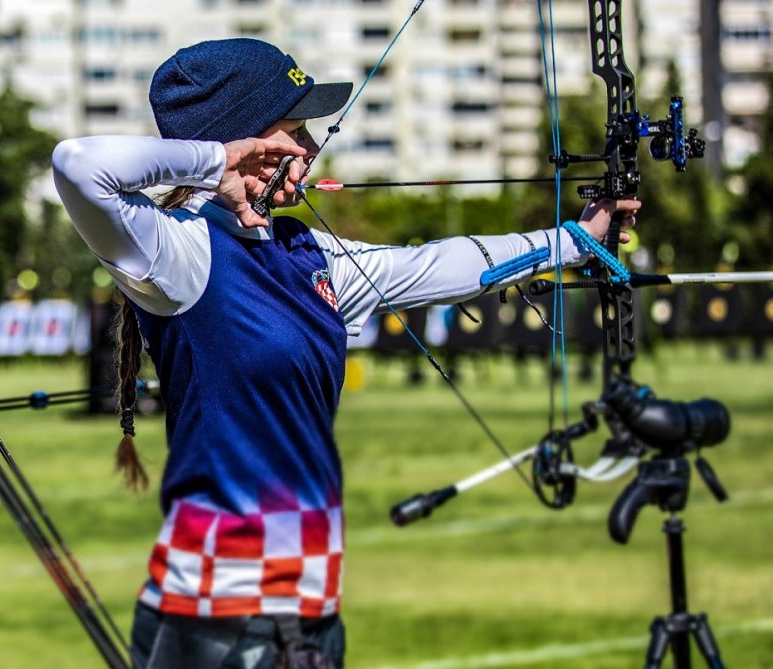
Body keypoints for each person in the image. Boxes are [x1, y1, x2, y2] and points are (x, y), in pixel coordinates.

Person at [52, 37, 639, 669]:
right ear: (245, 141)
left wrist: (577, 237)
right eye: (292, 131)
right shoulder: (178, 254)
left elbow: (437, 264)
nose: (309, 148)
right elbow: (79, 164)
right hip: (232, 617)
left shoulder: (309, 255)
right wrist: (216, 160)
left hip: (293, 610)